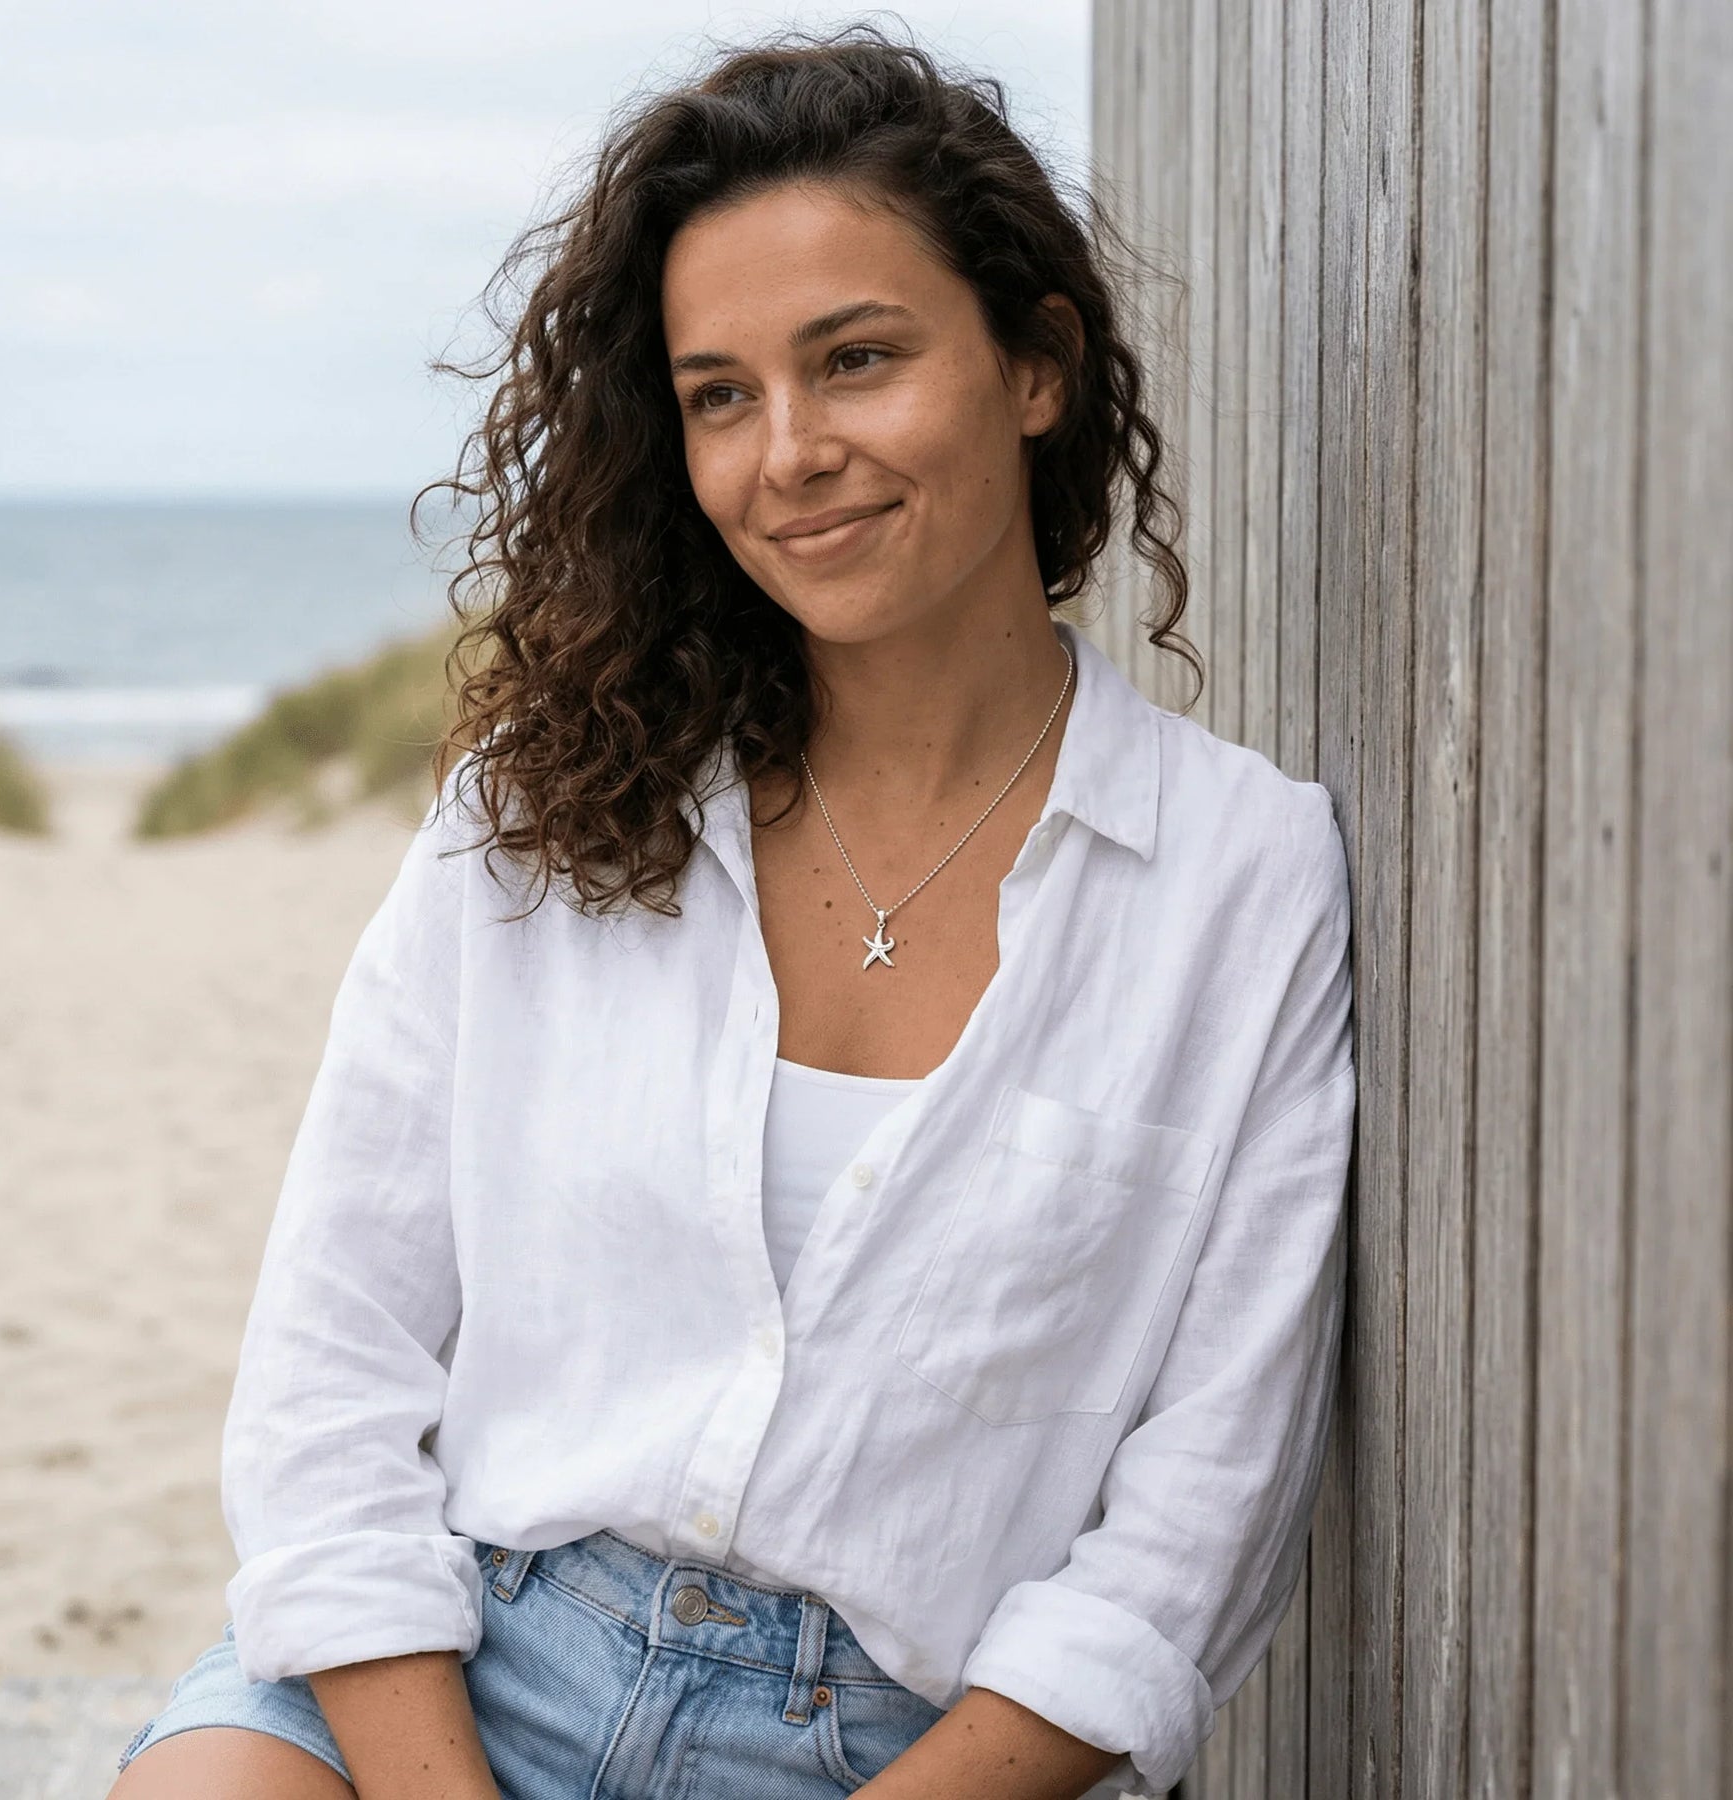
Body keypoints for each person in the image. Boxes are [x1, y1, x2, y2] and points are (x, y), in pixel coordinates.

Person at [110, 22, 1354, 1800]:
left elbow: (1189, 1540)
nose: (791, 453)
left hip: (887, 1747)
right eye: (719, 395)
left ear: (1036, 366)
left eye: (857, 360)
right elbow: (333, 1367)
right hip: (463, 1659)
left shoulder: (1240, 875)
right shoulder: (541, 813)